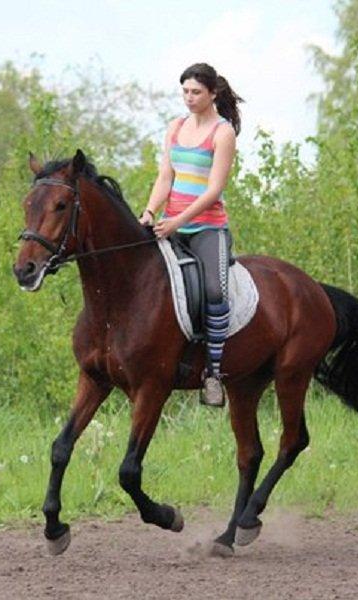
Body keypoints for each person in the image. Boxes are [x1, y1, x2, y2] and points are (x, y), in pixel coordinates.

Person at [139, 62, 243, 407]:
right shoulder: (175, 127)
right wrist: (151, 211)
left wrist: (178, 221)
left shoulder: (223, 133)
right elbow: (165, 177)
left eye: (196, 92)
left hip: (206, 228)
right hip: (168, 223)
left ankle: (213, 374)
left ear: (212, 93)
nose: (189, 98)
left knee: (215, 291)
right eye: (184, 91)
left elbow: (213, 191)